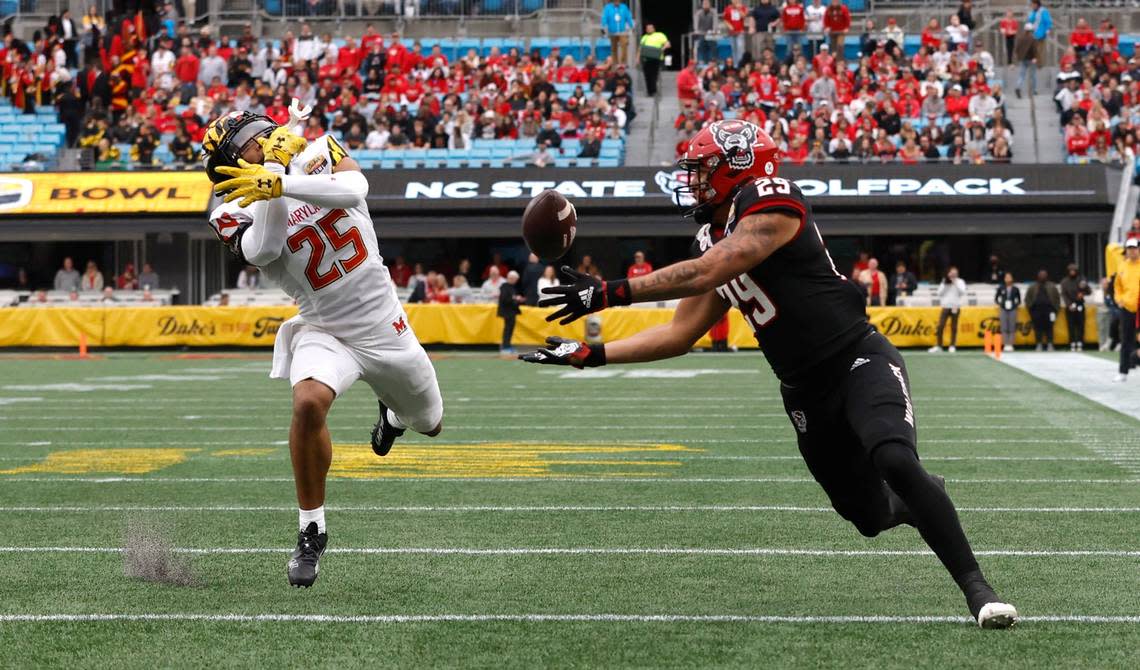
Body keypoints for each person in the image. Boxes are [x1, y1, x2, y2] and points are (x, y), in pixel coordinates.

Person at [521, 119, 1017, 628]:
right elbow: (679, 333)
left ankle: (978, 590)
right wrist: (591, 354)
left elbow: (716, 268)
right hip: (804, 391)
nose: (692, 181)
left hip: (857, 358)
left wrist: (609, 291)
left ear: (740, 165)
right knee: (869, 517)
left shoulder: (771, 199)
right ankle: (917, 499)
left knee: (893, 456)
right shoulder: (709, 237)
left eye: (703, 170)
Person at [202, 108, 443, 587]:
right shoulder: (229, 210)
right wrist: (271, 180)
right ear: (231, 161)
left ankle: (392, 415)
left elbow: (356, 192)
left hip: (385, 326)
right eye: (250, 139)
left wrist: (284, 181)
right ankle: (312, 530)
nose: (266, 138)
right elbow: (267, 248)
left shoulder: (318, 153)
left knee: (430, 423)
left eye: (264, 129)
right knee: (309, 402)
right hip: (324, 328)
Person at [1114, 239, 1140, 382]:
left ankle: (1135, 361)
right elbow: (1117, 286)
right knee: (1126, 340)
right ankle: (1123, 372)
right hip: (1127, 308)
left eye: (1134, 248)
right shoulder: (1122, 266)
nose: (1132, 251)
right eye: (1129, 248)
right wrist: (1119, 300)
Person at [930, 267, 966, 353]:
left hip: (955, 307)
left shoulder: (960, 281)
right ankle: (939, 346)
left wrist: (955, 283)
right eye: (952, 273)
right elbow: (939, 293)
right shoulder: (944, 281)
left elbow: (962, 292)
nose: (953, 274)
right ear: (949, 273)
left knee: (954, 327)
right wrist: (946, 283)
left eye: (955, 273)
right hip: (946, 306)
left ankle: (952, 345)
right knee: (940, 326)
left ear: (957, 274)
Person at [1024, 269, 1059, 351]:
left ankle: (1050, 344)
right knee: (1037, 328)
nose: (1042, 276)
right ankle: (1038, 344)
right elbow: (1027, 299)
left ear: (1047, 276)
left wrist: (1055, 309)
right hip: (1036, 310)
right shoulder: (1032, 286)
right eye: (1041, 275)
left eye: (1044, 275)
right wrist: (1030, 309)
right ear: (1038, 276)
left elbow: (1057, 299)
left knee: (1049, 327)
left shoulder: (1052, 286)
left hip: (1049, 310)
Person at [639, 24, 670, 98]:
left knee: (654, 75)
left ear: (653, 29)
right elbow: (640, 49)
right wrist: (637, 59)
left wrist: (662, 49)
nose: (648, 29)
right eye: (647, 28)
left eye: (650, 28)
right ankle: (650, 92)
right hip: (646, 59)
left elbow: (668, 44)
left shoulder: (660, 35)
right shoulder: (644, 37)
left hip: (656, 58)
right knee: (647, 75)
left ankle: (654, 91)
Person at [1059, 263, 1085, 351]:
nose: (1072, 272)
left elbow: (1088, 291)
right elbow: (1063, 294)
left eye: (1074, 270)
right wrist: (1069, 305)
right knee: (1071, 325)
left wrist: (1083, 292)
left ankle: (1080, 342)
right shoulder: (1064, 282)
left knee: (1080, 325)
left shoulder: (1081, 280)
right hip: (1070, 306)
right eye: (1071, 270)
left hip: (1080, 305)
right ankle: (1072, 342)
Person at [498, 270, 524, 354]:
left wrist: (516, 299)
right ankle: (505, 346)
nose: (516, 281)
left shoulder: (511, 287)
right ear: (511, 278)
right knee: (507, 329)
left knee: (510, 329)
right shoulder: (504, 286)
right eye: (515, 279)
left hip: (512, 312)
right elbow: (504, 299)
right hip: (507, 312)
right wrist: (515, 298)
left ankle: (508, 345)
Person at [602, 0, 635, 65]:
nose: (617, 1)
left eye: (618, 0)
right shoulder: (608, 7)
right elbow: (604, 18)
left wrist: (632, 26)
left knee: (624, 45)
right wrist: (604, 26)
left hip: (622, 31)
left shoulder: (624, 7)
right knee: (614, 48)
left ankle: (623, 63)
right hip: (612, 31)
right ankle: (615, 63)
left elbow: (628, 17)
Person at [994, 272, 1021, 353]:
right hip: (1003, 309)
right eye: (1006, 277)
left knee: (1012, 326)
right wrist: (1001, 304)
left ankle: (1011, 344)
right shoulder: (1001, 288)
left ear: (1012, 279)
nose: (1008, 279)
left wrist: (1014, 305)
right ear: (1004, 279)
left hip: (1012, 309)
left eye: (1009, 277)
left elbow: (1018, 300)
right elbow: (996, 298)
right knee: (1004, 326)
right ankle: (1006, 344)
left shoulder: (1015, 289)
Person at [694, 0, 719, 65]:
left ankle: (714, 60)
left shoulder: (714, 12)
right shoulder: (698, 13)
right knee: (702, 43)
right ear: (702, 5)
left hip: (711, 32)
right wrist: (697, 31)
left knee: (712, 43)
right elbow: (696, 24)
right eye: (704, 3)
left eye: (707, 3)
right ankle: (704, 61)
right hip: (701, 32)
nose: (705, 5)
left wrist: (713, 30)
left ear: (710, 4)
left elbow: (715, 23)